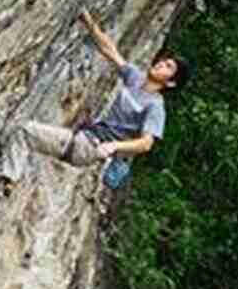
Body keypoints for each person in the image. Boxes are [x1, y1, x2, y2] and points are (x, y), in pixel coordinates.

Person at [19, 9, 188, 172]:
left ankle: (3, 179)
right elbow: (110, 51)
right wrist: (88, 22)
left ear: (171, 83)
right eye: (164, 61)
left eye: (168, 67)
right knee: (25, 133)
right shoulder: (135, 78)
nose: (161, 63)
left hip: (91, 147)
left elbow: (146, 144)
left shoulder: (155, 106)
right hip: (85, 136)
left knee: (24, 131)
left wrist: (115, 146)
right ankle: (6, 179)